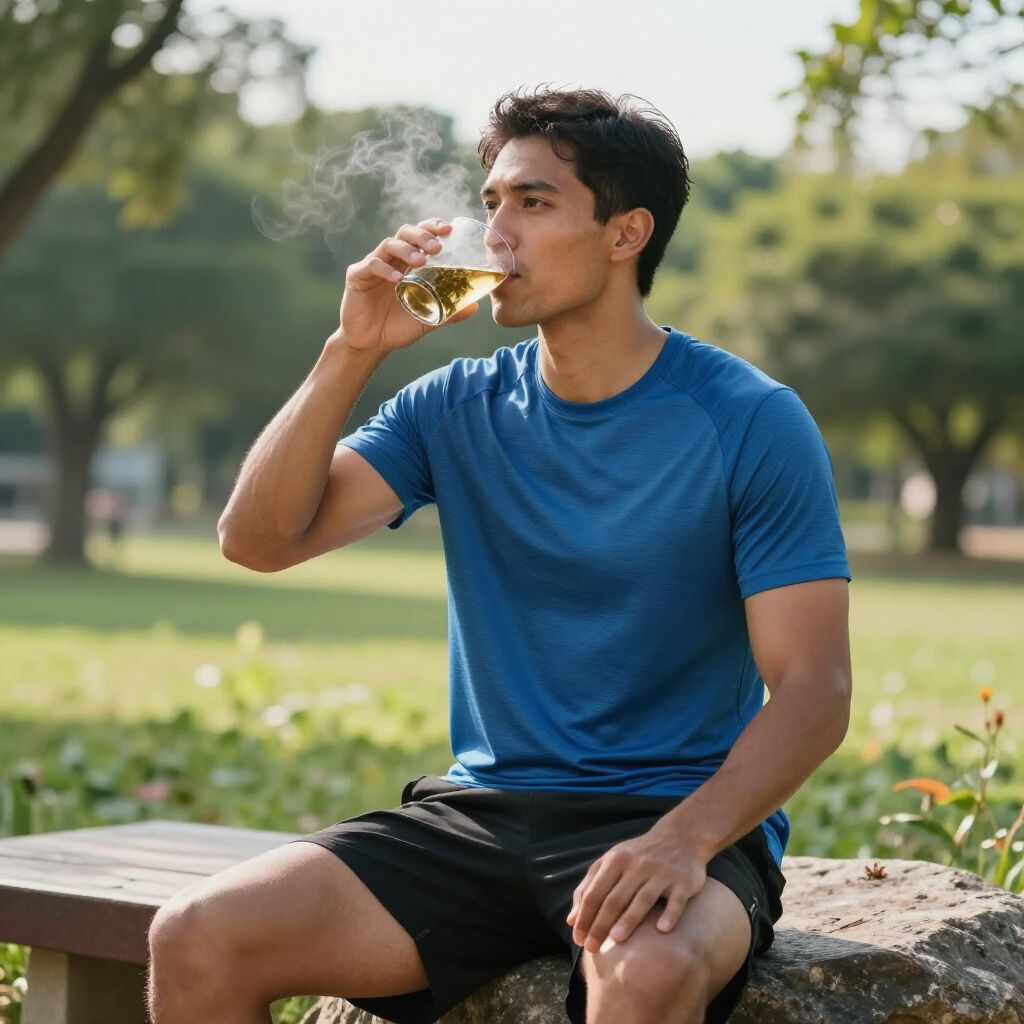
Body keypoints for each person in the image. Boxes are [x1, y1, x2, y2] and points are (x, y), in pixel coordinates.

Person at [147, 86, 852, 1024]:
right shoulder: (453, 404)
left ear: (625, 233)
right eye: (491, 204)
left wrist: (684, 841)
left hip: (673, 813)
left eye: (533, 203)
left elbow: (814, 690)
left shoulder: (751, 419)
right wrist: (350, 351)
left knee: (644, 974)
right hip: (479, 816)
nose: (497, 235)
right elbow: (257, 541)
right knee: (197, 934)